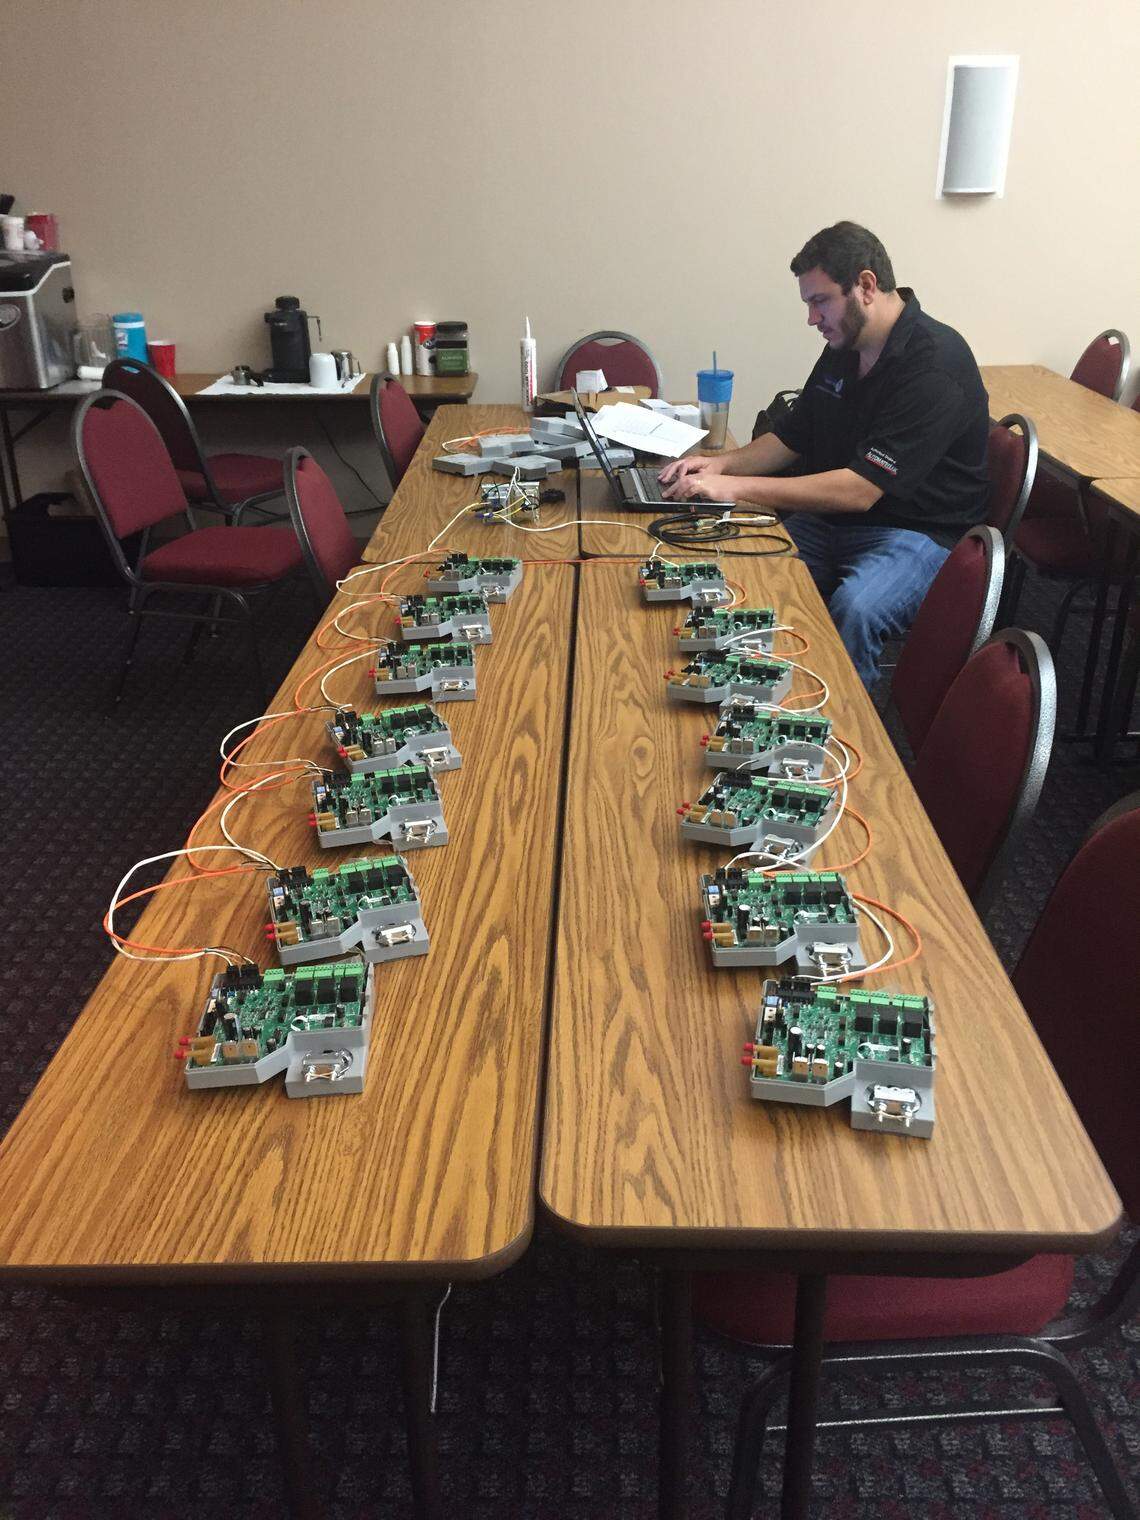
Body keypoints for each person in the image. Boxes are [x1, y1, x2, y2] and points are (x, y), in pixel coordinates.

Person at [659, 221, 989, 686]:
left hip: (917, 530)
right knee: (746, 569)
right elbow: (793, 435)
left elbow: (860, 491)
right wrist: (719, 464)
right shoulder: (845, 346)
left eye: (820, 301)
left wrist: (733, 487)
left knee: (857, 608)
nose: (812, 318)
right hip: (836, 522)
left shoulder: (936, 364)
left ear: (866, 286)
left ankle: (845, 721)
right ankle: (751, 695)